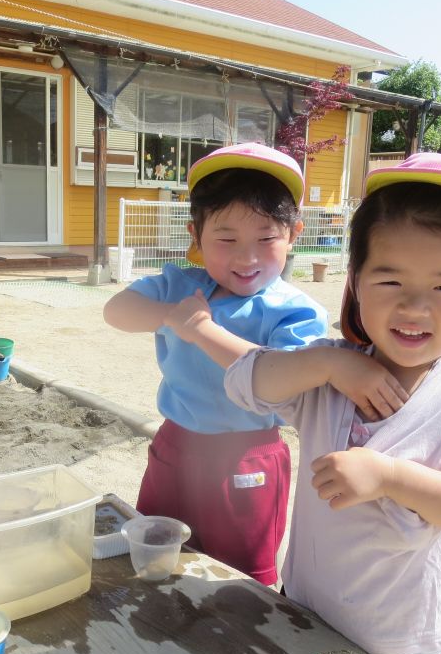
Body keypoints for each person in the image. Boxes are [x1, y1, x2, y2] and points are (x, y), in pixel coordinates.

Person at [217, 152, 441, 654]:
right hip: (302, 618)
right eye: (390, 281)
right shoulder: (327, 376)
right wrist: (328, 361)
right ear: (355, 283)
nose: (415, 308)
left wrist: (393, 478)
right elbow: (244, 382)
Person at [103, 142, 328, 585]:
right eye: (226, 240)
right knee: (158, 551)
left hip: (250, 457)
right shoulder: (181, 286)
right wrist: (170, 316)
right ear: (197, 236)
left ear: (294, 234)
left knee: (240, 575)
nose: (247, 258)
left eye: (266, 239)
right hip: (175, 446)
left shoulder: (295, 311)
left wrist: (201, 329)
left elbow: (277, 381)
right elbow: (117, 311)